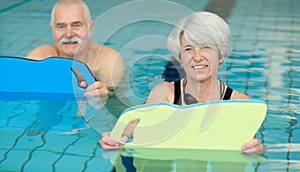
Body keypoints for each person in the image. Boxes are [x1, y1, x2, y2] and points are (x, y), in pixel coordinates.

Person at [99, 11, 265, 155]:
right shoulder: (165, 94)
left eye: (206, 47)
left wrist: (256, 149)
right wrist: (113, 139)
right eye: (188, 49)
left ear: (220, 56)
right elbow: (131, 129)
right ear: (180, 58)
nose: (197, 56)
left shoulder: (238, 104)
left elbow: (249, 145)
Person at [26, 0, 124, 98]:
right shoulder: (39, 59)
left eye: (76, 25)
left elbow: (117, 102)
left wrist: (105, 95)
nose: (68, 34)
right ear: (52, 29)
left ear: (90, 28)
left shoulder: (107, 61)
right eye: (61, 26)